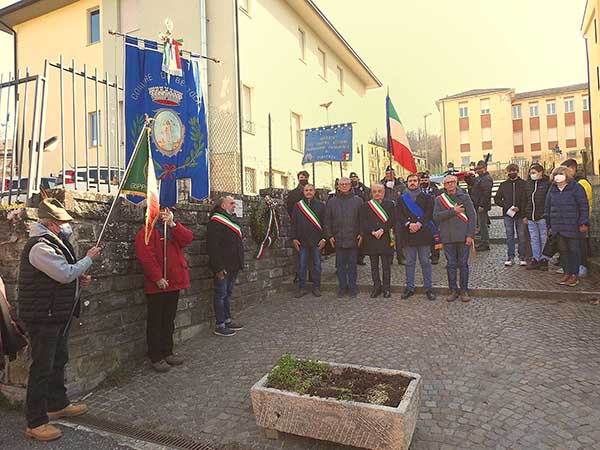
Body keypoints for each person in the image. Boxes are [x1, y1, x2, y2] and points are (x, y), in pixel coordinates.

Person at [18, 198, 101, 441]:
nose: (68, 226)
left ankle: (57, 403)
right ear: (52, 224)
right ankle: (35, 421)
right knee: (42, 367)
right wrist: (88, 259)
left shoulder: (54, 242)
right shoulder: (39, 246)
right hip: (43, 315)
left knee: (58, 360)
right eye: (64, 222)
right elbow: (64, 273)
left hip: (56, 313)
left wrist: (79, 278)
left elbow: (65, 273)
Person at [135, 207, 193, 372]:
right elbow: (145, 256)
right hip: (158, 284)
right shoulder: (145, 233)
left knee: (169, 320)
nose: (163, 215)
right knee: (156, 322)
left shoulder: (170, 229)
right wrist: (157, 277)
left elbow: (187, 239)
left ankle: (167, 351)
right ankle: (156, 356)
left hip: (174, 281)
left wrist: (173, 224)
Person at [433, 175, 476, 302]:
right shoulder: (439, 200)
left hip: (463, 237)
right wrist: (453, 211)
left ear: (456, 183)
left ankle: (464, 290)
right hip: (448, 237)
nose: (450, 185)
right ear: (444, 185)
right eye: (447, 183)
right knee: (451, 264)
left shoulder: (465, 197)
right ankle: (453, 290)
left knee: (463, 264)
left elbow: (472, 217)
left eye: (452, 182)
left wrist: (470, 235)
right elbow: (436, 217)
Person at [545, 166, 589, 287]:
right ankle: (567, 273)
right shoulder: (552, 189)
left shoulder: (576, 188)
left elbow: (583, 206)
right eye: (556, 174)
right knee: (563, 251)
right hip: (557, 226)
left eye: (561, 174)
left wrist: (583, 222)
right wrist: (549, 225)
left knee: (574, 250)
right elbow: (548, 208)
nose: (558, 176)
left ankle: (574, 275)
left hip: (573, 225)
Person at [207, 196, 245, 336]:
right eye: (231, 203)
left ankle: (227, 319)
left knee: (228, 294)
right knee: (221, 294)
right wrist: (218, 267)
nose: (234, 205)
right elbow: (212, 246)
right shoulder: (216, 222)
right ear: (223, 205)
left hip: (233, 264)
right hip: (223, 266)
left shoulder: (231, 219)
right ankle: (220, 324)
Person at [396, 174, 436, 301]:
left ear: (418, 182)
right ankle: (410, 288)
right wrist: (409, 224)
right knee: (409, 263)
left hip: (423, 233)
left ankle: (428, 288)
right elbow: (399, 215)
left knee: (425, 262)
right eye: (410, 181)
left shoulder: (427, 197)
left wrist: (419, 224)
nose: (412, 183)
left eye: (414, 180)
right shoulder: (402, 199)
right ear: (407, 183)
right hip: (408, 234)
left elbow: (429, 213)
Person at [325, 177, 363, 298]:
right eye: (342, 184)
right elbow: (327, 220)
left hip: (353, 237)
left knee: (352, 264)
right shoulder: (331, 201)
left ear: (351, 185)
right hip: (338, 238)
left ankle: (352, 287)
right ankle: (342, 287)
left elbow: (362, 219)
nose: (344, 186)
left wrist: (361, 234)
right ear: (338, 186)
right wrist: (329, 235)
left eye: (347, 184)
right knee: (340, 265)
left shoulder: (358, 200)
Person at [360, 184, 395, 298]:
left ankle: (386, 288)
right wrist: (372, 231)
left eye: (379, 191)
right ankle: (376, 287)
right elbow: (363, 221)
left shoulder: (390, 204)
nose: (377, 193)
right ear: (371, 193)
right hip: (372, 238)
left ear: (384, 192)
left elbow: (392, 220)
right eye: (374, 191)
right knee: (374, 266)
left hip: (385, 238)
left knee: (386, 266)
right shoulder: (366, 205)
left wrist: (382, 229)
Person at [291, 184, 326, 298]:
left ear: (314, 191)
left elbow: (325, 223)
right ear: (304, 192)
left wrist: (324, 238)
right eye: (306, 190)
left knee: (317, 266)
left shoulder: (321, 206)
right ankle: (302, 288)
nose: (308, 192)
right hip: (302, 241)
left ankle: (316, 287)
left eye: (311, 190)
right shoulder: (298, 206)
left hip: (317, 241)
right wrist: (294, 238)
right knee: (302, 266)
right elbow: (294, 224)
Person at [562, 159, 593, 277]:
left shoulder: (582, 183)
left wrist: (583, 221)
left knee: (580, 245)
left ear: (572, 168)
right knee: (571, 246)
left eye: (565, 170)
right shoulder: (571, 182)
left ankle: (582, 266)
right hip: (570, 220)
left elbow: (584, 204)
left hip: (579, 220)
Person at [494, 164, 527, 266]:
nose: (512, 173)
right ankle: (510, 257)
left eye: (514, 171)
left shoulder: (523, 184)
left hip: (520, 214)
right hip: (508, 214)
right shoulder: (503, 185)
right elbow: (497, 199)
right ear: (507, 172)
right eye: (510, 171)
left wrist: (520, 208)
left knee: (521, 236)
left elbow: (526, 198)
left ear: (517, 171)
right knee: (509, 236)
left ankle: (522, 257)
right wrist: (506, 206)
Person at [522, 164, 551, 271]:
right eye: (531, 172)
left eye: (534, 172)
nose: (532, 174)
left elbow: (548, 201)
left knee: (543, 238)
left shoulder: (547, 184)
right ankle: (536, 258)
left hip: (542, 216)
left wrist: (546, 215)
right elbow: (524, 200)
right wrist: (524, 215)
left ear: (541, 172)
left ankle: (544, 259)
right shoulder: (528, 184)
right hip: (530, 216)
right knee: (534, 239)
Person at [471, 160, 493, 251]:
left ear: (484, 168)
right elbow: (472, 184)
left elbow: (486, 193)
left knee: (483, 225)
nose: (478, 170)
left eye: (480, 169)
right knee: (481, 224)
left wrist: (482, 205)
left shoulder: (486, 179)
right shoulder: (480, 178)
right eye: (477, 169)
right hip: (478, 204)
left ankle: (485, 243)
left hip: (481, 205)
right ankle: (483, 241)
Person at [419, 172, 441, 265]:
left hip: (433, 217)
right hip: (421, 217)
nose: (424, 182)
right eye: (422, 180)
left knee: (434, 237)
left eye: (426, 180)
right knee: (423, 238)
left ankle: (435, 256)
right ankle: (424, 255)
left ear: (429, 180)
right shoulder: (417, 191)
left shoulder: (435, 190)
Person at [350, 172, 370, 265]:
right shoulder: (348, 189)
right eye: (352, 178)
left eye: (355, 178)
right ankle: (353, 258)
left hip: (363, 214)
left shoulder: (365, 189)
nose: (353, 179)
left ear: (358, 179)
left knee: (362, 237)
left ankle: (360, 258)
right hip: (352, 216)